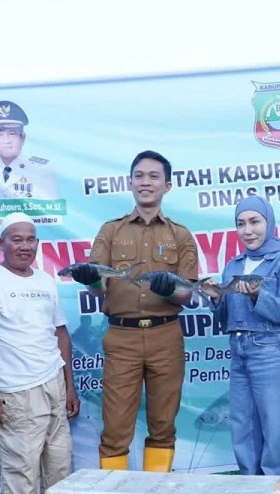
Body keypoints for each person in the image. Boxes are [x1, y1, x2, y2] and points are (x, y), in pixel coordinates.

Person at [67, 150, 199, 472]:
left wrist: (172, 290)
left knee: (163, 426)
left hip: (166, 336)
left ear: (167, 185)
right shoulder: (110, 231)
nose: (146, 182)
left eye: (154, 176)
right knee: (114, 429)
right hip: (121, 337)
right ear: (130, 183)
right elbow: (100, 287)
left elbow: (189, 296)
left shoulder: (180, 235)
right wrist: (89, 281)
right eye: (139, 176)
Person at [0, 212, 79, 494]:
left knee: (59, 460)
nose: (24, 246)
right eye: (16, 239)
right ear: (0, 244)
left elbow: (60, 333)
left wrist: (70, 385)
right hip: (13, 389)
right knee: (21, 466)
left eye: (30, 239)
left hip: (53, 383)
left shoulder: (47, 281)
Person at [203, 196, 280, 476]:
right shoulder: (233, 265)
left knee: (278, 432)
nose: (248, 230)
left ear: (268, 222)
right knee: (243, 430)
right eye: (241, 224)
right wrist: (216, 299)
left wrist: (260, 294)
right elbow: (227, 320)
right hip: (239, 352)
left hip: (274, 351)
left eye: (254, 222)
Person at [0, 101, 59, 201]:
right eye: (0, 135)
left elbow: (53, 210)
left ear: (23, 138)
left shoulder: (41, 169)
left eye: (12, 133)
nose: (6, 140)